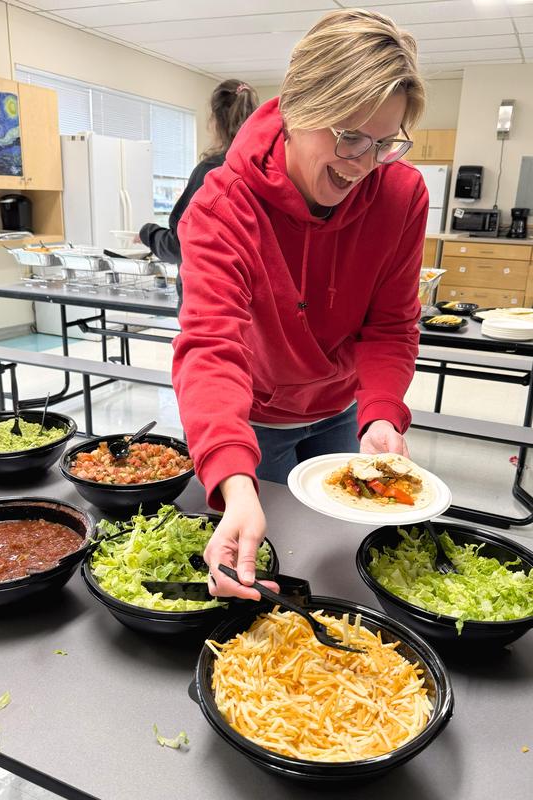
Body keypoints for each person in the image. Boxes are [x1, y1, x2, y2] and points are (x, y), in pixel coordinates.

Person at [172, 8, 429, 599]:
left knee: (335, 561)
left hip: (341, 410)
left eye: (384, 142)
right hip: (253, 419)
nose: (362, 164)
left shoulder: (401, 196)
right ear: (295, 110)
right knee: (261, 565)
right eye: (348, 136)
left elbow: (391, 324)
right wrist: (235, 482)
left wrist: (384, 412)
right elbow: (211, 348)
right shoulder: (222, 208)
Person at [137, 79, 259, 305]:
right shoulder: (266, 168)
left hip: (212, 298)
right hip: (257, 298)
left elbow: (178, 245)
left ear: (215, 120)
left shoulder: (211, 172)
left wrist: (148, 233)